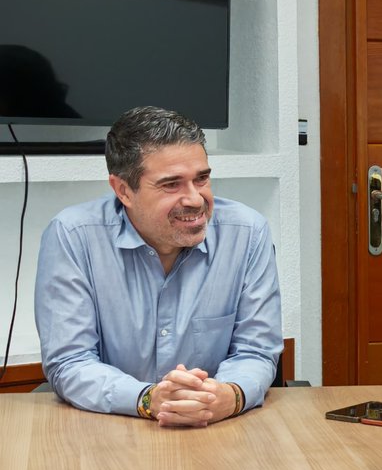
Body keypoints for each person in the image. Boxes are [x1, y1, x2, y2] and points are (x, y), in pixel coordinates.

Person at [34, 106, 282, 426]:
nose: (195, 199)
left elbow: (257, 351)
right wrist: (149, 399)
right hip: (110, 428)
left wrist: (228, 395)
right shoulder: (73, 236)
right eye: (171, 184)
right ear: (123, 190)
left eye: (202, 179)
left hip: (217, 426)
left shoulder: (248, 233)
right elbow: (70, 361)